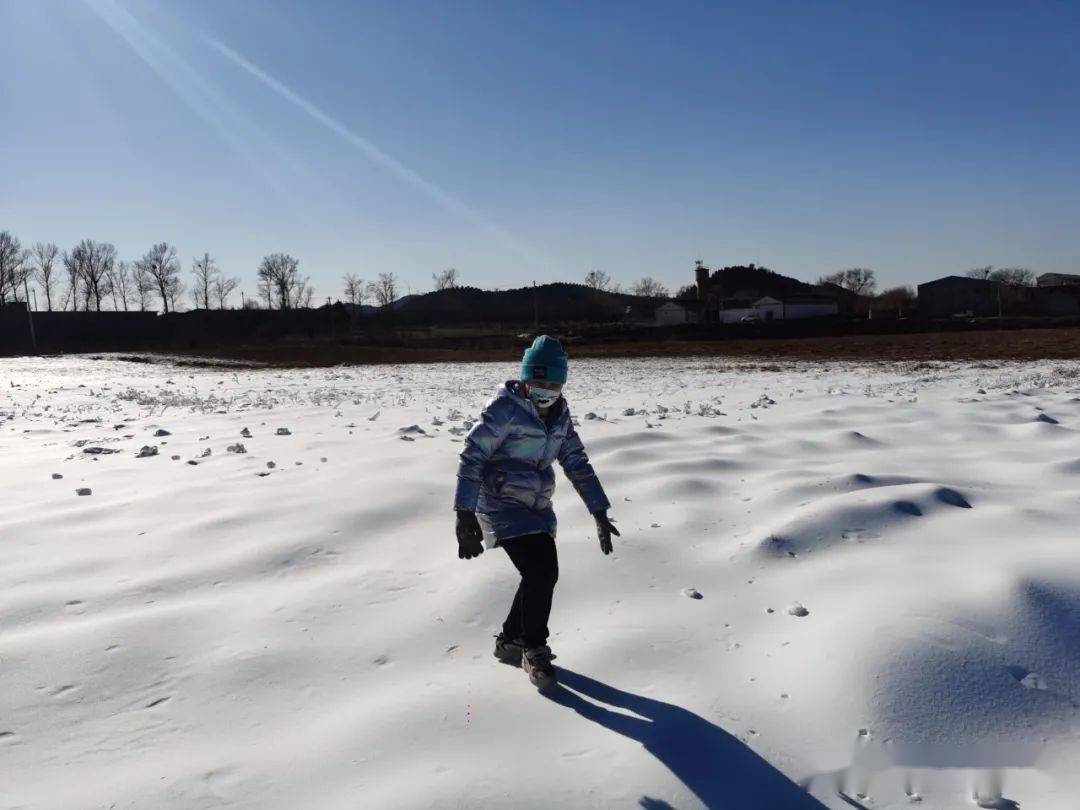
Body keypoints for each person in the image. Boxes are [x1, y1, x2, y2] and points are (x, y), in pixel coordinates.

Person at [454, 335, 620, 689]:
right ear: (526, 380)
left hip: (536, 506)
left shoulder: (560, 415)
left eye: (554, 383)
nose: (547, 390)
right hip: (498, 503)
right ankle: (534, 648)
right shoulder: (504, 410)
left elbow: (575, 461)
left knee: (537, 573)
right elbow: (473, 456)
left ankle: (511, 639)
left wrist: (599, 511)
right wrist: (464, 512)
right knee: (543, 570)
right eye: (539, 382)